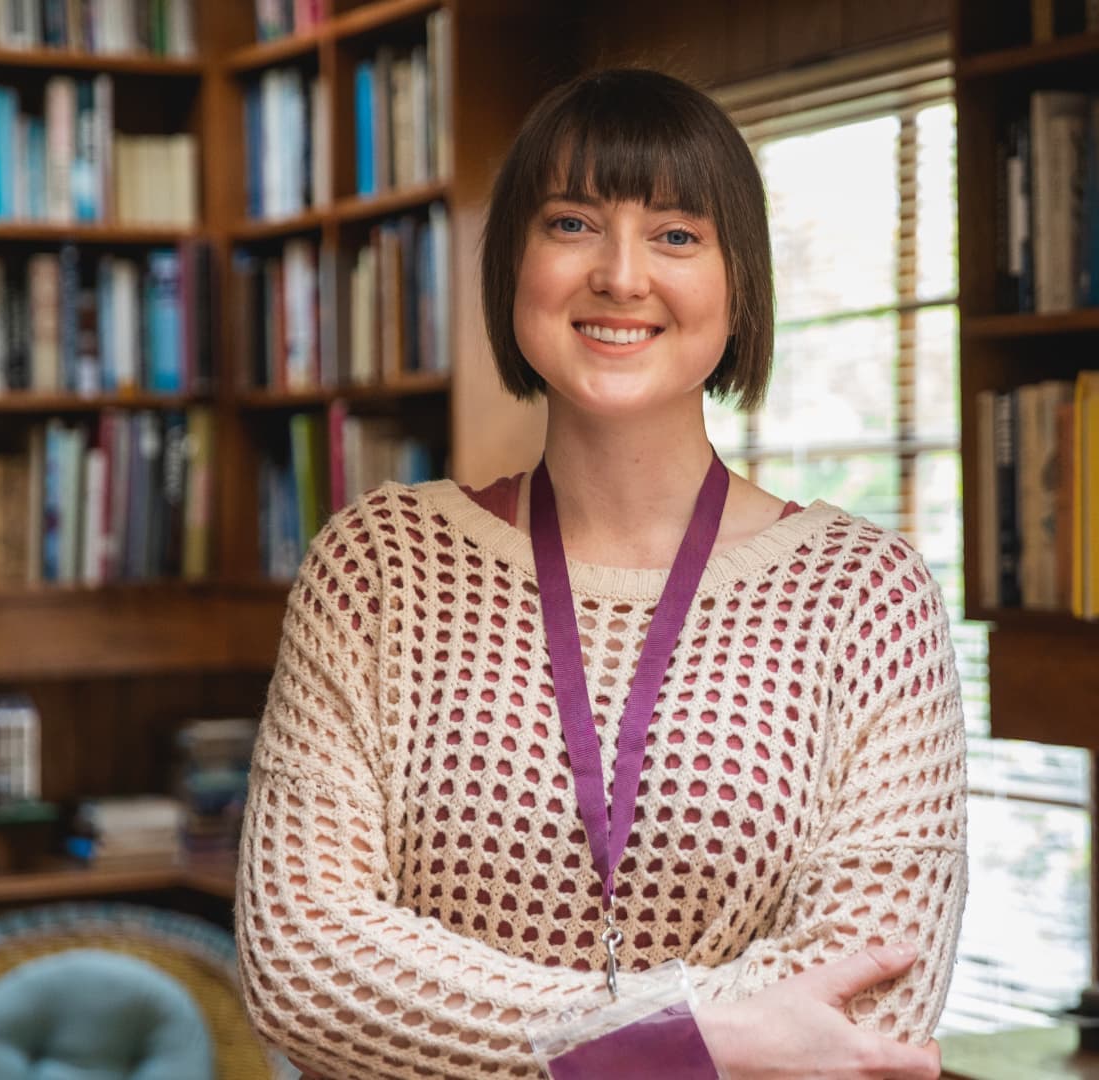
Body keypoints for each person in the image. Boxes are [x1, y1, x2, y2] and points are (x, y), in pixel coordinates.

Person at [236, 67, 966, 1080]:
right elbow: (302, 965)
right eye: (574, 223)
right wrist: (702, 1042)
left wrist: (520, 1033)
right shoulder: (378, 566)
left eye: (677, 235)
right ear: (514, 268)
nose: (622, 276)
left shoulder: (867, 594)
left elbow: (868, 1000)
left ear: (739, 281)